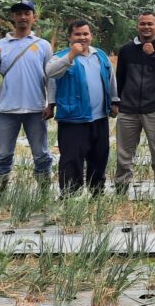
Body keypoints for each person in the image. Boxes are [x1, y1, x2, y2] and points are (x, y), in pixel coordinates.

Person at [46, 20, 119, 195]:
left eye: (86, 34)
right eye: (77, 34)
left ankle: (96, 192)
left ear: (91, 36)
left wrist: (114, 101)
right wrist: (71, 55)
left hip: (99, 117)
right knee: (72, 160)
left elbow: (110, 79)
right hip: (73, 118)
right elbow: (51, 73)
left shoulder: (100, 55)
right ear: (70, 37)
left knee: (99, 157)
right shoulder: (60, 57)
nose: (82, 38)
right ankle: (71, 195)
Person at [0, 0, 53, 193]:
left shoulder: (43, 45)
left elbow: (50, 78)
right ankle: (0, 194)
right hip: (6, 109)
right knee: (3, 155)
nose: (23, 17)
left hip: (36, 109)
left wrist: (52, 104)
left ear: (34, 17)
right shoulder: (0, 44)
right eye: (18, 14)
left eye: (27, 13)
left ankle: (44, 193)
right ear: (12, 18)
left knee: (41, 154)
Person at [114, 12, 155, 197]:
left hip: (154, 109)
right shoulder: (126, 50)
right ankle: (121, 190)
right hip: (128, 110)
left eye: (150, 24)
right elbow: (120, 78)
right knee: (124, 154)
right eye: (142, 24)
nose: (146, 27)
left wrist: (153, 56)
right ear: (137, 27)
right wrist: (116, 102)